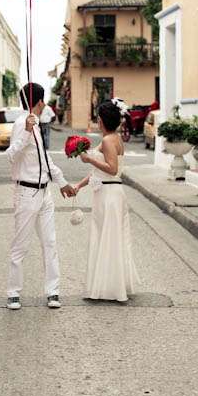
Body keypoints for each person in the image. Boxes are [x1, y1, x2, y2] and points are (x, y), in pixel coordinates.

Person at [6, 82, 76, 310]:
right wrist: (26, 132)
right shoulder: (22, 124)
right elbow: (11, 155)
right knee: (21, 245)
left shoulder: (36, 124)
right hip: (26, 193)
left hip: (45, 193)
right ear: (39, 102)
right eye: (43, 100)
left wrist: (62, 182)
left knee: (50, 243)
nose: (45, 104)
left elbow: (45, 160)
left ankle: (53, 292)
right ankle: (13, 292)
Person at [74, 101, 141, 301]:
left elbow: (112, 169)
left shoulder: (107, 141)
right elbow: (98, 172)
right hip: (108, 192)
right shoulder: (115, 138)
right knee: (109, 238)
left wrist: (89, 159)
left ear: (101, 120)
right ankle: (109, 284)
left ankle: (109, 287)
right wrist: (79, 185)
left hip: (109, 194)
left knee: (108, 238)